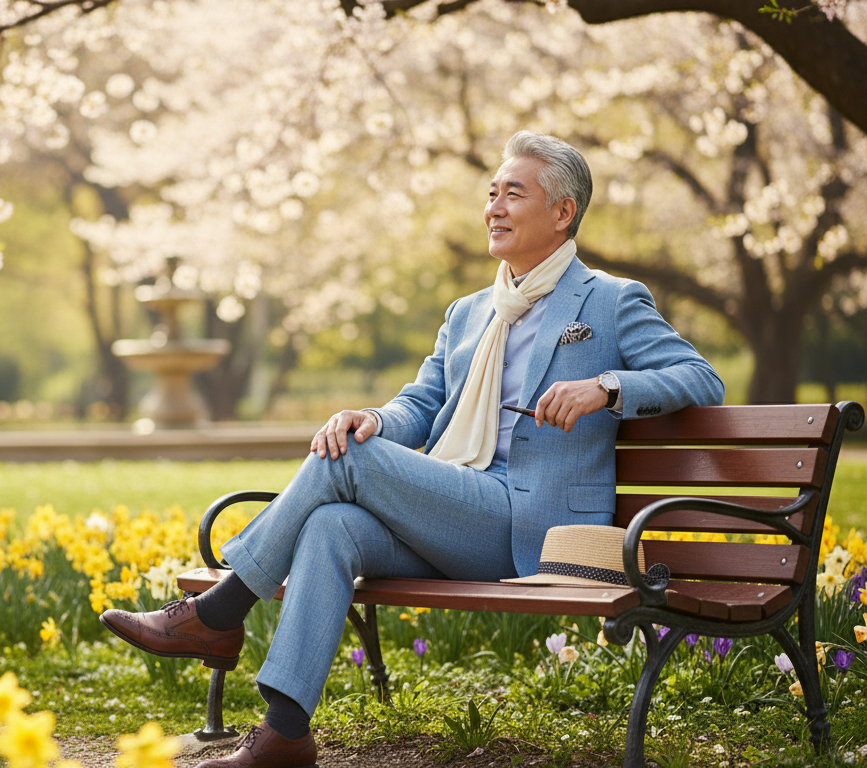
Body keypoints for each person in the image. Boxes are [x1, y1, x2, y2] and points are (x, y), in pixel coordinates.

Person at [101, 131, 725, 768]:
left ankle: (221, 609)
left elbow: (701, 377)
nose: (494, 208)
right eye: (491, 194)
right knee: (332, 520)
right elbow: (420, 408)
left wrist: (606, 386)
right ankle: (286, 734)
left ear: (563, 213)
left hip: (531, 526)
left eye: (514, 193)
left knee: (349, 461)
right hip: (452, 507)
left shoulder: (611, 302)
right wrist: (368, 418)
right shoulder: (469, 312)